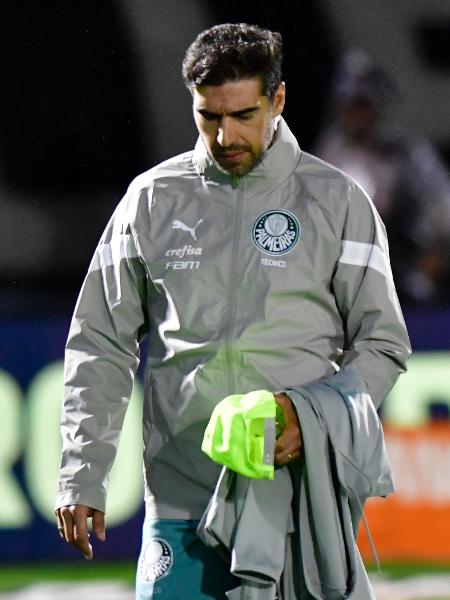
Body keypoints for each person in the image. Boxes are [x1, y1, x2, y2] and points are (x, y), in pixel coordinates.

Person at [55, 24, 411, 599]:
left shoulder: (338, 201)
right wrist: (80, 473)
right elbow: (100, 341)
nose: (225, 136)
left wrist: (307, 414)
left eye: (243, 114)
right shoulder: (151, 199)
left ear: (278, 100)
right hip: (181, 500)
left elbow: (384, 345)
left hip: (293, 498)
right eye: (208, 116)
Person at [315, 49, 450, 307]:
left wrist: (435, 252)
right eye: (352, 106)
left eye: (365, 105)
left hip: (406, 271)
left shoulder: (409, 156)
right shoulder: (324, 162)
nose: (359, 116)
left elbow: (443, 209)